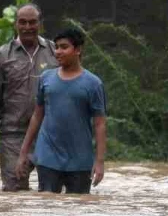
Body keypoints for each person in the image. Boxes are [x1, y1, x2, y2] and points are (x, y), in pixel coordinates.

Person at [16, 27, 106, 194]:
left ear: (78, 50)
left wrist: (99, 161)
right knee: (47, 206)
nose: (58, 51)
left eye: (64, 47)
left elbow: (99, 124)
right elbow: (37, 115)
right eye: (56, 47)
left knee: (77, 210)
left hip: (80, 160)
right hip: (47, 156)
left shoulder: (93, 84)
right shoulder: (46, 78)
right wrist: (23, 153)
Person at [0, 3, 58, 191]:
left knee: (52, 194)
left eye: (32, 22)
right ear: (16, 24)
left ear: (41, 24)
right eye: (23, 22)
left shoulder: (56, 52)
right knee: (15, 192)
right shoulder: (3, 55)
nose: (27, 27)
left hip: (49, 134)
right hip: (13, 136)